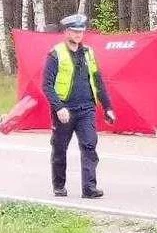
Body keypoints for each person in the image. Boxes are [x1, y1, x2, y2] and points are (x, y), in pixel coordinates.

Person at [41, 13, 116, 198]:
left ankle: (89, 189)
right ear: (66, 32)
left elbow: (98, 81)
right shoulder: (56, 53)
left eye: (81, 31)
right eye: (74, 31)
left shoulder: (89, 53)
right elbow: (47, 85)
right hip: (64, 110)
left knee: (89, 146)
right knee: (60, 149)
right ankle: (59, 185)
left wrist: (107, 107)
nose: (78, 34)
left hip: (86, 109)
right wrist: (59, 107)